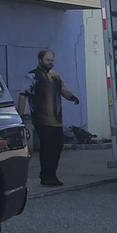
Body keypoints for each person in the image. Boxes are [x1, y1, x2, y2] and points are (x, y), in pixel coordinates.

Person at [19, 49, 80, 187]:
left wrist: (72, 97)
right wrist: (20, 114)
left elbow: (63, 90)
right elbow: (23, 94)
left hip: (56, 119)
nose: (50, 63)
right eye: (48, 60)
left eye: (52, 60)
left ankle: (52, 174)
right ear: (40, 60)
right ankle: (46, 177)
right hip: (41, 119)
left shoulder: (56, 76)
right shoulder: (32, 76)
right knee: (47, 147)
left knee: (57, 146)